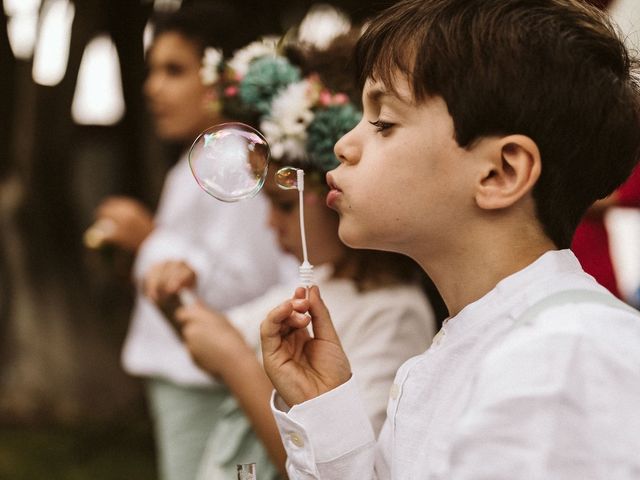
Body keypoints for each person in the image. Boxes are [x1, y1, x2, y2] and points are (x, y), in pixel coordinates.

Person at [259, 0, 640, 478]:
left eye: (383, 123)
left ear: (500, 173)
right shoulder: (453, 356)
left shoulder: (559, 362)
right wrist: (325, 408)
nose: (343, 145)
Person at [144, 32, 437, 479]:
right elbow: (210, 343)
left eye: (283, 206)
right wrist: (175, 303)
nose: (270, 224)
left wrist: (235, 361)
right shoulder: (315, 287)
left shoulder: (393, 314)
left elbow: (346, 466)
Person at [91, 4, 291, 480]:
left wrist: (149, 240)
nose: (152, 87)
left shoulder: (232, 158)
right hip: (186, 375)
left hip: (203, 381)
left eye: (173, 70)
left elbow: (248, 285)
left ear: (222, 80)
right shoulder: (199, 158)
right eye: (153, 70)